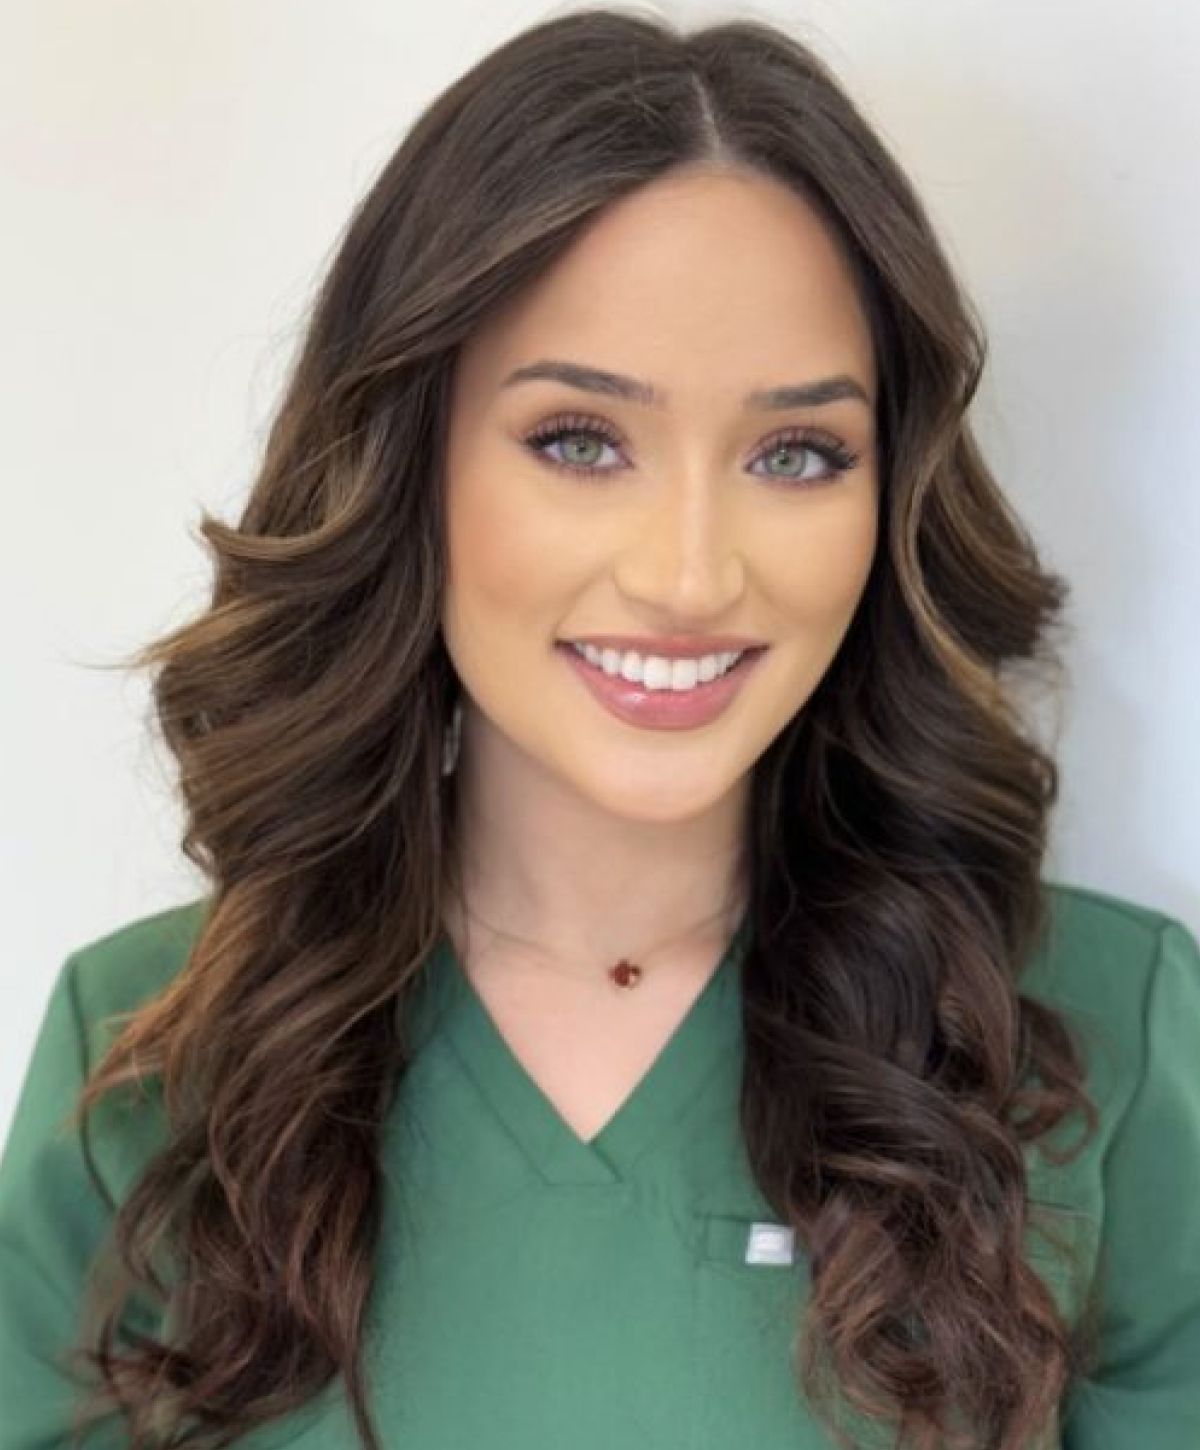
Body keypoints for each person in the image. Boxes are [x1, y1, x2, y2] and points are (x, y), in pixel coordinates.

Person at [2, 8, 1198, 1450]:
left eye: (797, 451)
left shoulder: (1106, 1050)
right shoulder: (145, 1067)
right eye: (580, 438)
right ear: (408, 460)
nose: (691, 574)